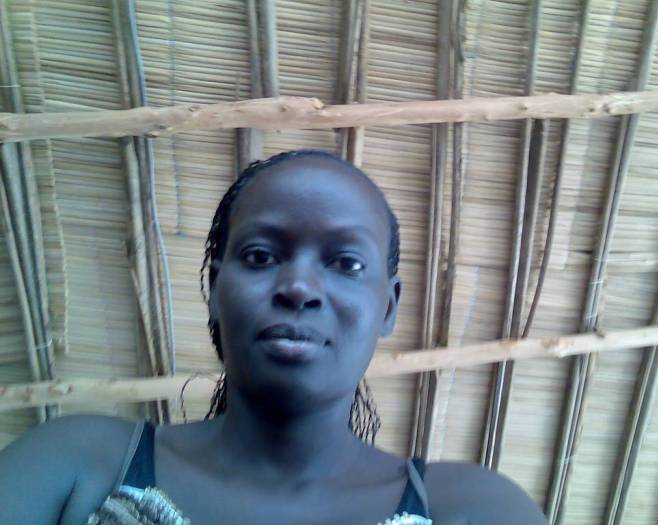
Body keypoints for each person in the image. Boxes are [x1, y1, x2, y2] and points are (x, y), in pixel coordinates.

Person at [0, 150, 547, 524]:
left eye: (347, 263)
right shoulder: (77, 463)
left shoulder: (473, 508)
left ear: (387, 307)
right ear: (214, 290)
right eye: (261, 256)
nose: (299, 287)